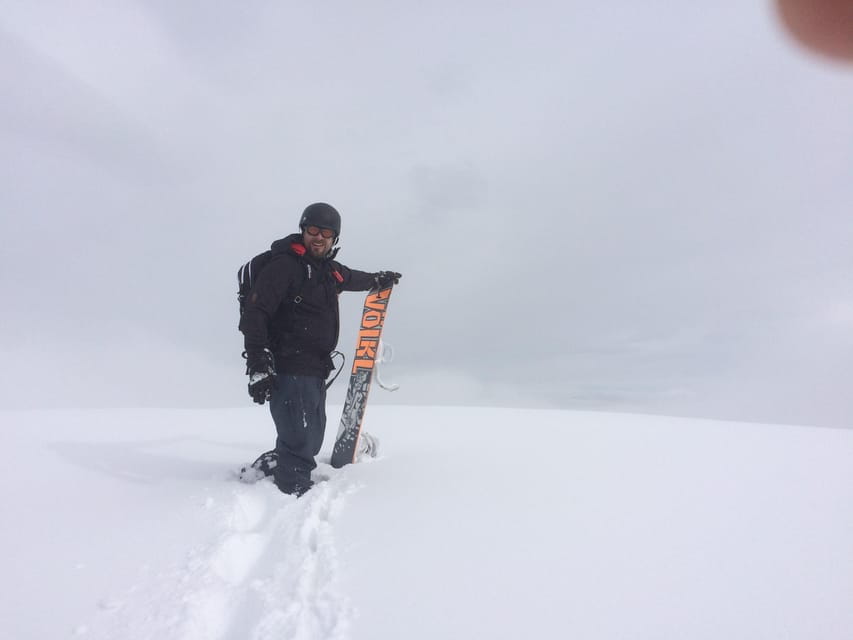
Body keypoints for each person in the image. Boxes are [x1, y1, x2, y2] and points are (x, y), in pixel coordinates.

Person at [238, 202, 401, 496]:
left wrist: (377, 279)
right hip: (289, 365)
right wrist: (259, 362)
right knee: (300, 440)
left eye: (326, 232)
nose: (319, 237)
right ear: (303, 231)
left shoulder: (328, 271)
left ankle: (275, 463)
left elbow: (351, 278)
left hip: (315, 367)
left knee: (311, 438)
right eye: (313, 230)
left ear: (334, 238)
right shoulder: (284, 266)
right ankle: (292, 492)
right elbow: (255, 313)